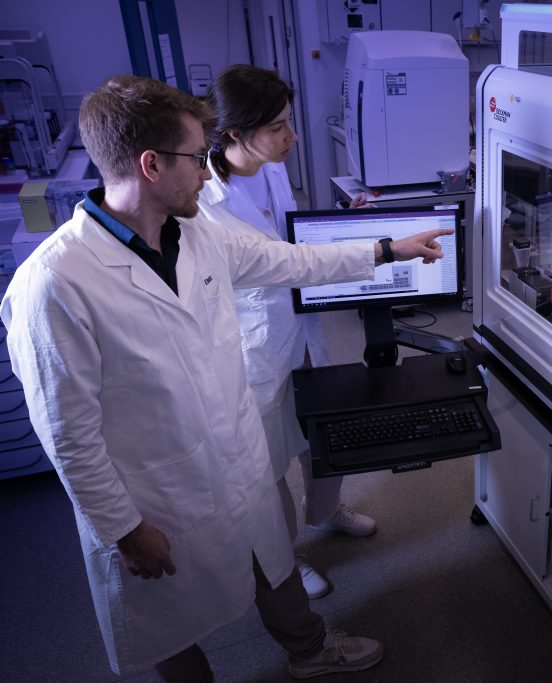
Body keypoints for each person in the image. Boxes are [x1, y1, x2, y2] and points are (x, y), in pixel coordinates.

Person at [0, 74, 449, 680]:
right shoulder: (56, 283)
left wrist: (383, 250)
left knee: (270, 556)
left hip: (234, 453)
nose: (208, 173)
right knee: (166, 616)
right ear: (151, 165)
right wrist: (124, 529)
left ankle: (310, 650)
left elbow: (288, 261)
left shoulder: (195, 235)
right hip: (154, 494)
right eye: (195, 158)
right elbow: (66, 432)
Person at [198, 65, 374, 599]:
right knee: (267, 460)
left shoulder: (269, 168)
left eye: (289, 123)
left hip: (301, 329)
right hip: (253, 349)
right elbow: (272, 263)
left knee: (322, 431)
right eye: (278, 127)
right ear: (235, 134)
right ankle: (286, 555)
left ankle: (326, 511)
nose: (291, 137)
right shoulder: (204, 202)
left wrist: (347, 225)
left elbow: (288, 244)